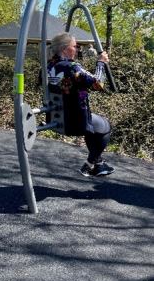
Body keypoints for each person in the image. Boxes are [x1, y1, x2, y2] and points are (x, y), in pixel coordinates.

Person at [47, 32, 114, 177]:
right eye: (75, 46)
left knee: (94, 127)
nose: (78, 49)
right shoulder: (71, 67)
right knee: (106, 127)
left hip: (57, 118)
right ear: (65, 49)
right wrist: (101, 62)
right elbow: (98, 84)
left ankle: (99, 164)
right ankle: (89, 164)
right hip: (76, 120)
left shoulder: (48, 66)